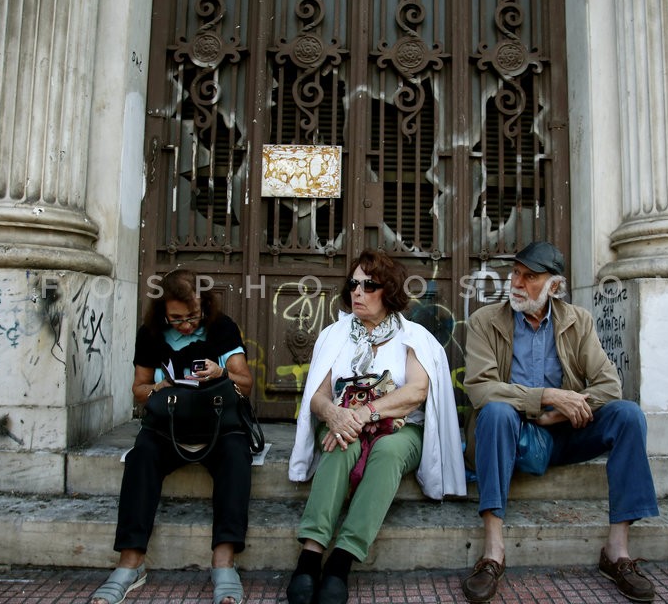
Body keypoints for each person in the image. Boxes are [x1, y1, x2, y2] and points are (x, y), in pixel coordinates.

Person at [460, 241, 659, 603]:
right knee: (496, 411)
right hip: (510, 433)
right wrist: (547, 398)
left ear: (554, 286)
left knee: (628, 414)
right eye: (515, 273)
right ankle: (493, 551)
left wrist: (568, 408)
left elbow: (609, 384)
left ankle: (617, 552)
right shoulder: (484, 321)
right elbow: (480, 389)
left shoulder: (577, 320)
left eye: (530, 277)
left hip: (565, 433)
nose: (517, 283)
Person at [287, 250, 466, 604]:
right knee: (341, 444)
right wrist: (336, 416)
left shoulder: (413, 337)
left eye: (369, 285)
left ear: (389, 291)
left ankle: (341, 560)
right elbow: (319, 397)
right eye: (354, 283)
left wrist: (366, 411)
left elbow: (416, 390)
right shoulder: (334, 336)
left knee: (387, 451)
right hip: (344, 423)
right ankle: (309, 556)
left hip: (401, 429)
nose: (358, 291)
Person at [89, 269, 254, 604]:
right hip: (170, 425)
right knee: (142, 456)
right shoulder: (150, 333)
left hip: (219, 425)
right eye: (176, 318)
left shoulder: (222, 328)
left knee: (237, 455)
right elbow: (139, 390)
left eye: (193, 316)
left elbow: (246, 384)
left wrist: (221, 372)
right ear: (163, 311)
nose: (186, 325)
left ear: (204, 305)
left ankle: (223, 562)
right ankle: (130, 563)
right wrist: (159, 387)